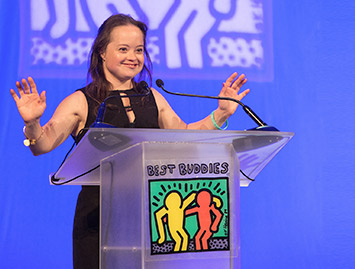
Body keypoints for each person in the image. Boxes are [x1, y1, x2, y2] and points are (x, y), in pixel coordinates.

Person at [10, 14, 250, 269]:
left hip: (146, 222)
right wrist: (32, 123)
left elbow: (185, 135)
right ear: (102, 52)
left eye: (139, 50)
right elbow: (42, 144)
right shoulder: (81, 101)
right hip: (98, 220)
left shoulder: (152, 97)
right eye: (123, 49)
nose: (133, 57)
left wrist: (222, 113)